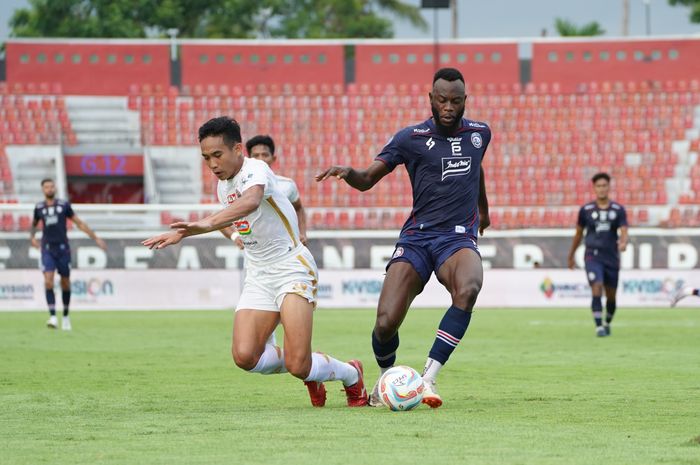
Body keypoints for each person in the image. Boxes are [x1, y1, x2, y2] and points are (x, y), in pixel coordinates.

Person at [142, 116, 367, 408]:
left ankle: (351, 374)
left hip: (291, 266)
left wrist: (201, 226)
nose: (212, 164)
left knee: (299, 366)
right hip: (259, 273)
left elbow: (250, 202)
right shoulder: (223, 186)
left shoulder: (257, 168)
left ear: (238, 149)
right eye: (206, 157)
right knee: (245, 356)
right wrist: (208, 232)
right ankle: (313, 365)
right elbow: (239, 220)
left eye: (217, 155)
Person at [316, 68, 492, 409]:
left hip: (456, 239)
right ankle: (388, 381)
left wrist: (483, 211)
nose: (448, 107)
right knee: (385, 323)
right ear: (431, 99)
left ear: (465, 101)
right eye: (442, 100)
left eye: (456, 101)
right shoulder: (409, 138)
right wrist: (348, 173)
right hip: (417, 238)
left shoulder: (480, 134)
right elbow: (368, 178)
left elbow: (476, 167)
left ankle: (427, 378)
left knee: (469, 287)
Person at [30, 178, 107, 330]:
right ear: (43, 190)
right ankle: (52, 317)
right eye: (46, 187)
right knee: (48, 281)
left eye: (52, 186)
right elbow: (34, 225)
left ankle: (65, 316)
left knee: (65, 282)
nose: (49, 189)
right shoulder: (39, 208)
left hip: (63, 249)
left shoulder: (64, 205)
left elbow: (79, 223)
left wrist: (95, 238)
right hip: (47, 249)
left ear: (55, 188)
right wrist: (32, 237)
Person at [567, 172, 628, 337]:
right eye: (599, 186)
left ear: (609, 187)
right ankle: (599, 326)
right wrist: (571, 255)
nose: (602, 189)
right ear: (594, 188)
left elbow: (624, 230)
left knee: (611, 297)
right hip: (592, 256)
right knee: (596, 286)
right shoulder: (586, 210)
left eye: (604, 185)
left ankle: (607, 321)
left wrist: (623, 242)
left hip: (611, 257)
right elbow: (579, 234)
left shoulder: (618, 210)